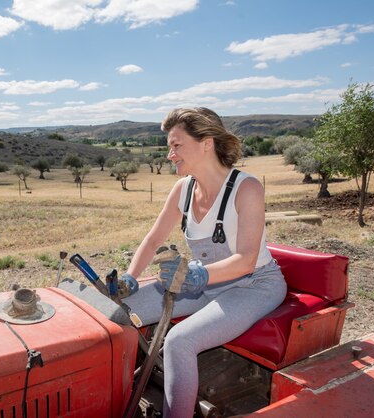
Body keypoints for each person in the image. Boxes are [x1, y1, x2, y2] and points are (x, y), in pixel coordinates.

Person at [117, 107, 287, 418]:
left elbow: (247, 259)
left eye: (177, 145)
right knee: (120, 311)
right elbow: (154, 239)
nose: (170, 155)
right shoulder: (183, 189)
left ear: (206, 143)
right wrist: (130, 277)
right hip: (203, 283)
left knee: (180, 340)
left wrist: (198, 275)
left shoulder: (246, 188)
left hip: (254, 285)